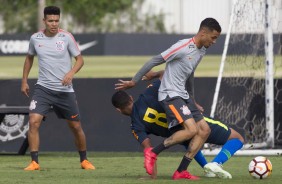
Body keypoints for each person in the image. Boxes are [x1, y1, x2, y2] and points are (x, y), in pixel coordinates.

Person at [115, 18, 221, 179]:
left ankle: (181, 171)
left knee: (205, 130)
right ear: (203, 33)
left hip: (183, 95)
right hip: (170, 94)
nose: (214, 42)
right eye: (213, 38)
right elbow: (155, 60)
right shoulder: (183, 46)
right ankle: (153, 153)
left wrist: (192, 99)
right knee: (191, 130)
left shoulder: (201, 51)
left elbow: (189, 74)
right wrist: (134, 81)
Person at [111, 79, 244, 179]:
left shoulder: (136, 126)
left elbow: (147, 148)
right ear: (131, 98)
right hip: (192, 122)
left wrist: (153, 176)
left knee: (189, 143)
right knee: (237, 138)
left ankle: (207, 168)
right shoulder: (148, 93)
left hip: (178, 134)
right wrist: (192, 102)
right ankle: (216, 162)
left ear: (118, 110)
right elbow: (167, 77)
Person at [21, 6, 95, 171]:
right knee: (33, 122)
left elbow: (80, 60)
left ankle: (84, 160)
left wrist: (71, 73)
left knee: (75, 126)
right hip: (43, 89)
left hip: (65, 91)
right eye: (50, 21)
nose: (54, 24)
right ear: (44, 21)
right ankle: (34, 162)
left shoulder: (66, 37)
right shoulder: (35, 38)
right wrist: (24, 80)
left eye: (56, 20)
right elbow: (29, 59)